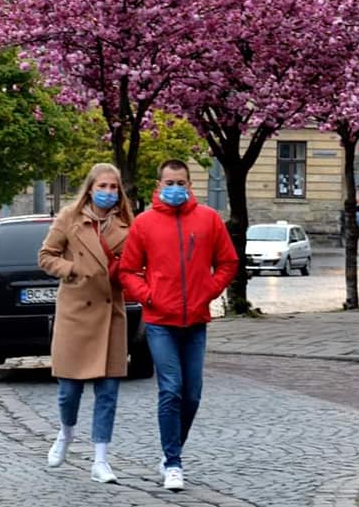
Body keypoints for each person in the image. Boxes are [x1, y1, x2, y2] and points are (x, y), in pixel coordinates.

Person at [119, 159, 238, 491]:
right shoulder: (144, 224)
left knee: (193, 395)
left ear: (190, 185)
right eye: (169, 182)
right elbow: (127, 271)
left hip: (196, 321)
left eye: (181, 182)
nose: (175, 188)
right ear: (159, 185)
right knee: (171, 389)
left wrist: (208, 292)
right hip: (160, 321)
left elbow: (228, 262)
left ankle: (173, 450)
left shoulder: (208, 219)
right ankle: (173, 462)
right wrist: (148, 296)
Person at [37, 162, 134, 484]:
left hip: (110, 314)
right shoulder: (69, 218)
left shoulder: (126, 225)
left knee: (107, 393)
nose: (108, 192)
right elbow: (46, 256)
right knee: (69, 391)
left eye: (113, 187)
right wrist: (71, 270)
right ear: (90, 188)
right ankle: (65, 435)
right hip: (76, 312)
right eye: (102, 186)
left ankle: (101, 459)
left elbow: (137, 264)